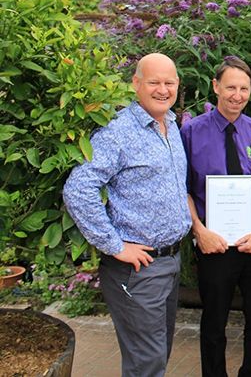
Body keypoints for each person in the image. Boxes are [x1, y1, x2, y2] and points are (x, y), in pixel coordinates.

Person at [63, 53, 191, 377]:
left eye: (169, 82)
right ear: (136, 83)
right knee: (146, 364)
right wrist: (115, 246)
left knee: (156, 356)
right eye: (154, 82)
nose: (163, 89)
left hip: (170, 262)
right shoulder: (117, 131)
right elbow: (78, 189)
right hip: (137, 269)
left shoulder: (170, 125)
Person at [180, 57, 251, 377]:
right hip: (214, 240)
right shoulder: (191, 132)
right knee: (214, 321)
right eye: (230, 88)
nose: (237, 95)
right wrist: (199, 231)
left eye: (244, 89)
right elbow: (181, 188)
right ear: (216, 87)